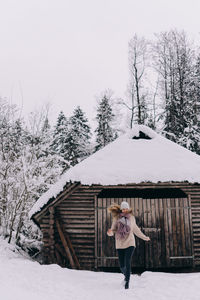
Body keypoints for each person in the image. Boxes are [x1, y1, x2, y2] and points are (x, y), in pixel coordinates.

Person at [107, 201, 150, 289]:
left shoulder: (132, 218)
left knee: (127, 261)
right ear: (121, 209)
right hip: (119, 243)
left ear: (128, 208)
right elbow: (113, 230)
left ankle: (127, 282)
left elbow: (136, 230)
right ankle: (127, 274)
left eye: (126, 208)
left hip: (130, 242)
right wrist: (110, 233)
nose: (125, 210)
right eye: (123, 208)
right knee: (122, 266)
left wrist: (144, 237)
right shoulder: (116, 218)